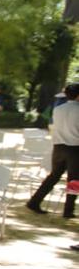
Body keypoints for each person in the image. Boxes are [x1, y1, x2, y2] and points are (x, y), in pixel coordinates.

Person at [27, 83, 79, 218]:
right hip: (74, 148)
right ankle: (68, 210)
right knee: (74, 180)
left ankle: (35, 201)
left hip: (58, 146)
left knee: (53, 176)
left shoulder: (58, 109)